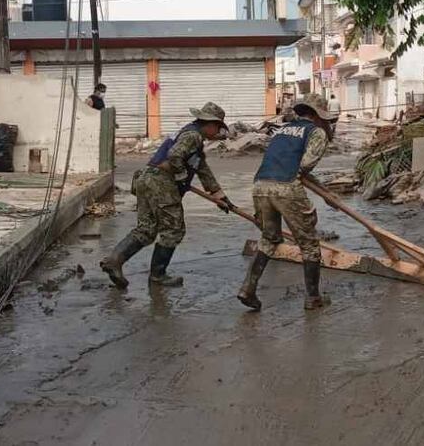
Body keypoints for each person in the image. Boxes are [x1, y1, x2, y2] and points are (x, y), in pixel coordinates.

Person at [101, 102, 232, 289]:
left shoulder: (191, 136)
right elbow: (175, 156)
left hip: (146, 178)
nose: (218, 133)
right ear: (210, 124)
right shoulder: (193, 136)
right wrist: (180, 176)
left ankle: (114, 261)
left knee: (146, 230)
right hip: (161, 182)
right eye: (219, 128)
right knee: (173, 230)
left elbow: (203, 170)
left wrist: (220, 196)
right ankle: (158, 276)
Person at [236, 93, 337, 311]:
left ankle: (248, 288)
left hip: (261, 184)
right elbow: (305, 166)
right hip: (287, 187)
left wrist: (326, 193)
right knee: (309, 243)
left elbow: (289, 164)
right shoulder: (316, 131)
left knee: (269, 238)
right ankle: (313, 298)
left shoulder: (282, 130)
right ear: (318, 115)